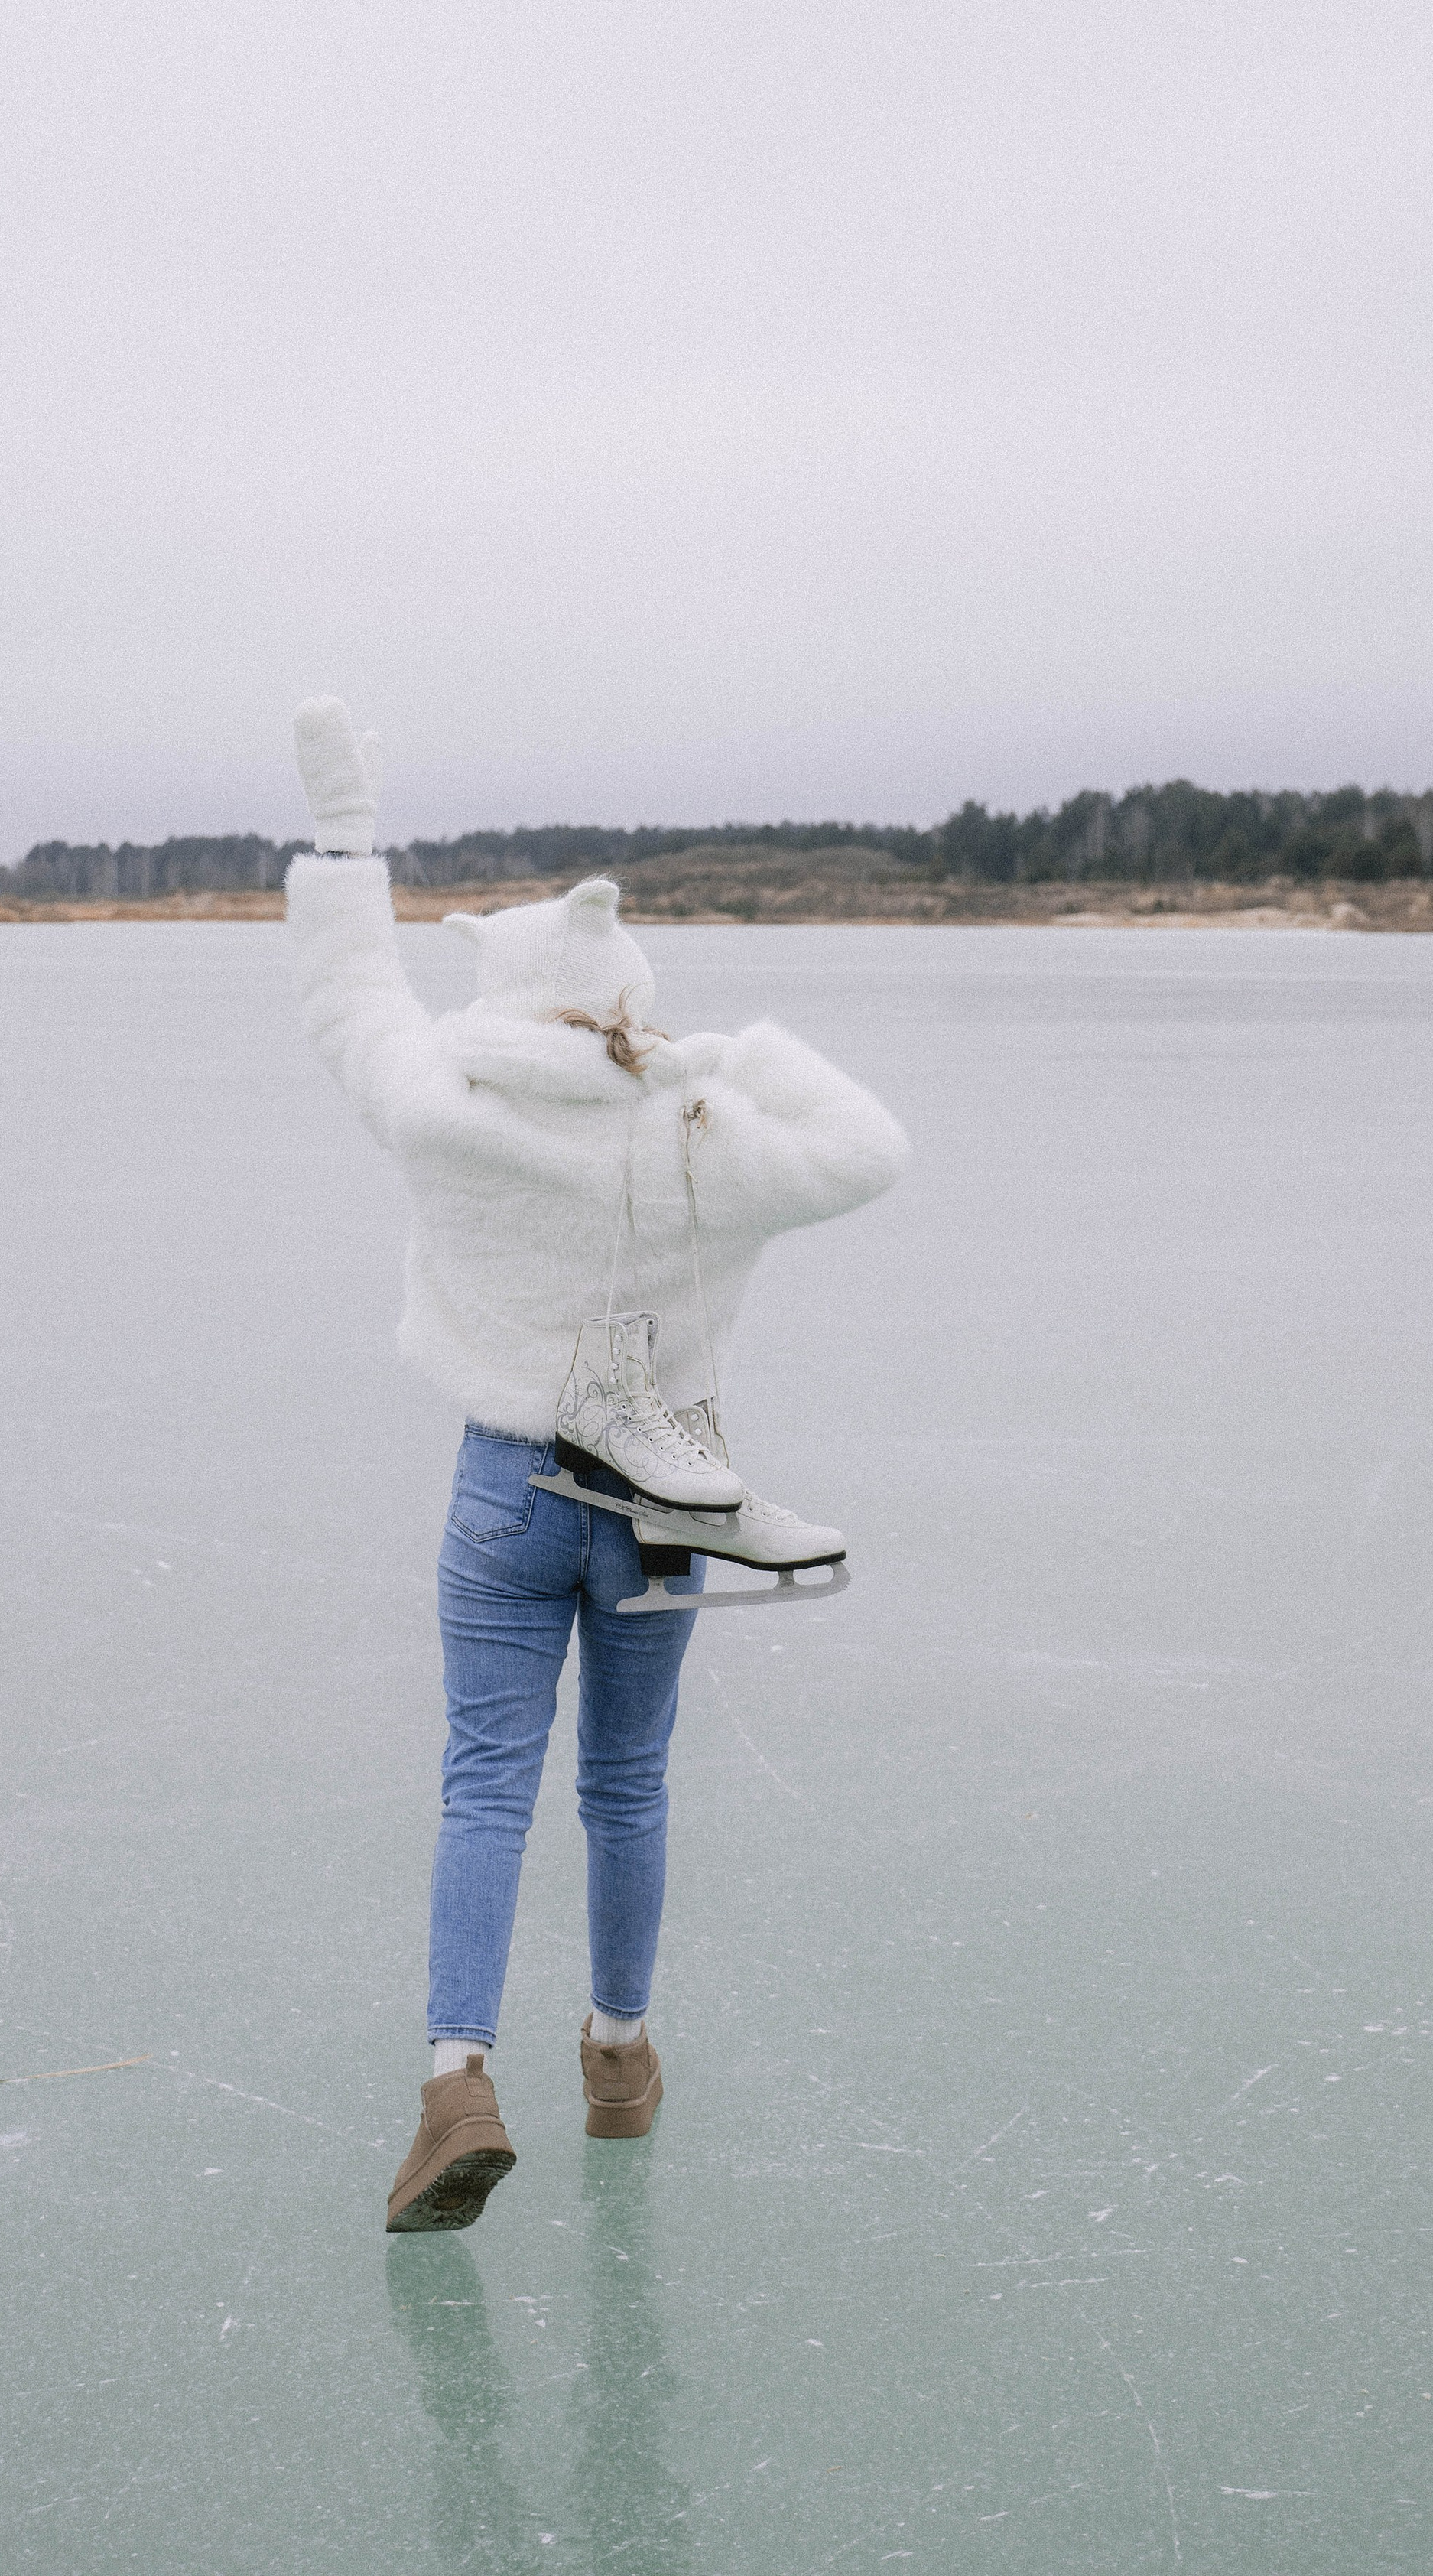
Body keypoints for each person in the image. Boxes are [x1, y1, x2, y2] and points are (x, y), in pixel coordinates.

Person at [286, 698, 908, 2230]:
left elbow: (351, 997)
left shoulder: (440, 1100)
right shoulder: (697, 1124)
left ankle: (454, 2086)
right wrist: (729, 1046)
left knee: (485, 1780)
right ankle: (618, 2060)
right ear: (629, 999)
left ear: (499, 996)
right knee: (625, 1782)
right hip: (659, 1496)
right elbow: (867, 1143)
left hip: (504, 1489)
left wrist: (347, 839)